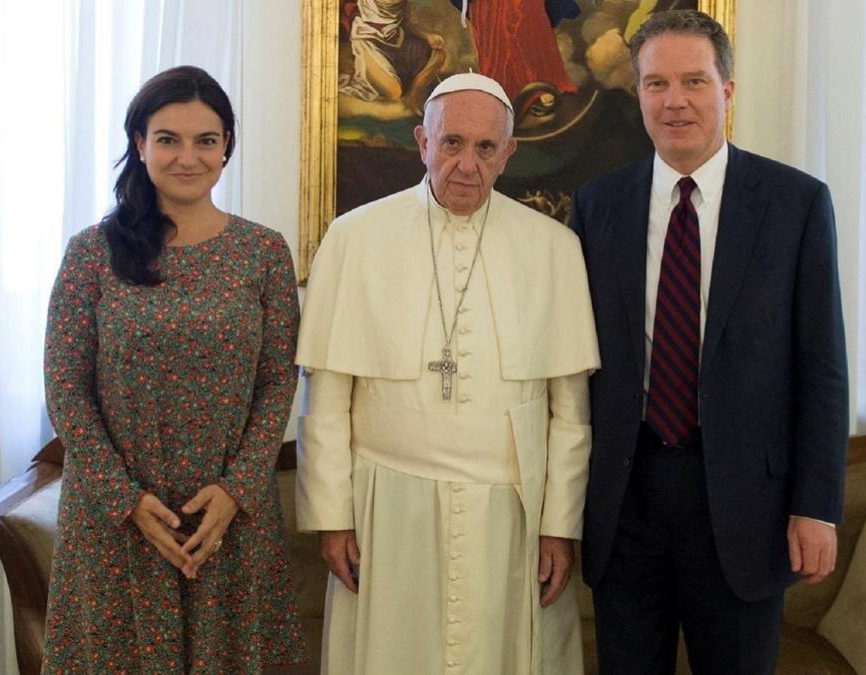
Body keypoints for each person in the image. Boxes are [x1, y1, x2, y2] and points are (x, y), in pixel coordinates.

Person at [569, 10, 849, 674]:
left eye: (694, 80)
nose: (675, 101)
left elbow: (822, 366)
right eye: (655, 83)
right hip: (626, 496)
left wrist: (816, 504)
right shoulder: (597, 205)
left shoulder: (795, 203)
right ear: (636, 94)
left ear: (728, 90)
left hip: (745, 504)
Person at [295, 72, 600, 674]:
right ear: (422, 142)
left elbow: (571, 411)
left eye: (486, 148)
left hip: (510, 512)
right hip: (388, 506)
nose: (467, 165)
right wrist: (332, 518)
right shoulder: (354, 238)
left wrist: (559, 526)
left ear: (509, 152)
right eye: (452, 143)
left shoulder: (553, 247)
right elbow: (326, 395)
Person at [41, 65, 305, 673]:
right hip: (116, 521)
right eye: (168, 139)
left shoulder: (262, 252)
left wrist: (236, 490)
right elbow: (65, 389)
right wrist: (127, 500)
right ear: (139, 144)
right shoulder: (92, 253)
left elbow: (276, 383)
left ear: (226, 147)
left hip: (228, 520)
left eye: (205, 140)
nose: (188, 157)